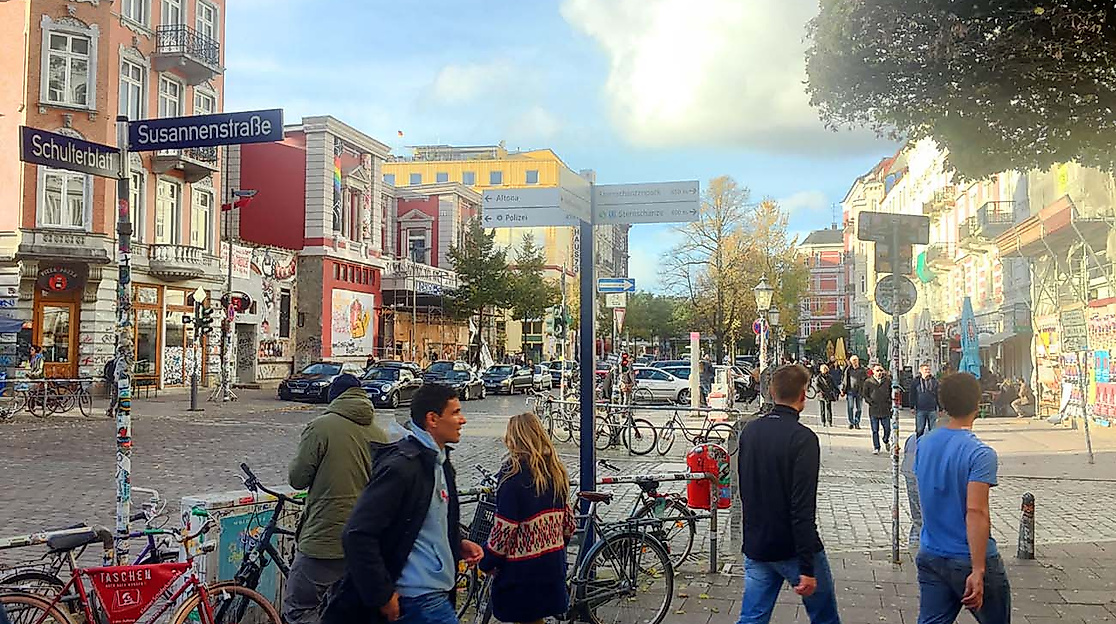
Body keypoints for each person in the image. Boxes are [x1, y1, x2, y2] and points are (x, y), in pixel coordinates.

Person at [321, 384, 484, 624]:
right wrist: (382, 595)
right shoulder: (403, 467)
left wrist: (457, 542)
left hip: (433, 595)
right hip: (417, 600)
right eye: (455, 412)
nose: (463, 420)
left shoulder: (439, 463)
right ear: (433, 419)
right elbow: (357, 534)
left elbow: (423, 519)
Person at [735, 364, 841, 624]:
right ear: (803, 395)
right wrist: (807, 565)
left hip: (758, 545)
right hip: (794, 548)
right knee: (824, 617)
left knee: (752, 618)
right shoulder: (803, 439)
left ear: (771, 392)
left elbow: (746, 490)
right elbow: (802, 506)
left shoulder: (750, 431)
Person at [284, 374, 388, 624]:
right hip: (363, 541)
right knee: (343, 611)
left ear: (334, 397)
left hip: (324, 536)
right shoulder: (380, 433)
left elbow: (297, 478)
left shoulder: (322, 427)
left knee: (298, 607)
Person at [914, 372, 1010, 623]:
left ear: (943, 405)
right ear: (978, 404)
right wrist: (978, 570)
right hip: (967, 557)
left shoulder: (923, 444)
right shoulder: (980, 454)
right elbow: (976, 512)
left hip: (931, 552)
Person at [479, 413, 574, 624]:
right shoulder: (556, 471)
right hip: (550, 568)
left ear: (513, 439)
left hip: (521, 573)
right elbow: (568, 525)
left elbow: (504, 531)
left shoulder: (512, 475)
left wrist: (487, 560)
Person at [864, 365, 892, 455]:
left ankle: (885, 439)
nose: (879, 372)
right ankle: (876, 447)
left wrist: (890, 402)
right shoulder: (868, 381)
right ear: (873, 371)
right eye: (877, 370)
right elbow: (865, 394)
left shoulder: (887, 381)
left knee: (887, 428)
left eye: (881, 370)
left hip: (885, 408)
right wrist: (870, 402)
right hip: (874, 409)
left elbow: (892, 392)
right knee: (875, 430)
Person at [900, 432, 921, 552]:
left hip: (911, 472)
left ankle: (915, 541)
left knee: (917, 514)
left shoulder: (913, 437)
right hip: (916, 473)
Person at [909, 363, 941, 437]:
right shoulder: (916, 382)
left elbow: (938, 395)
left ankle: (931, 446)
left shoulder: (934, 381)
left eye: (929, 369)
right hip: (920, 409)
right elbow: (912, 394)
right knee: (920, 430)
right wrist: (911, 406)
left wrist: (940, 408)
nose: (928, 371)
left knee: (933, 431)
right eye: (926, 370)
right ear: (921, 371)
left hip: (932, 409)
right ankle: (919, 445)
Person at [841, 355, 867, 429]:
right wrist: (843, 390)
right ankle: (851, 422)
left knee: (859, 408)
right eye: (853, 361)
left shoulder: (862, 370)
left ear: (858, 361)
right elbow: (844, 380)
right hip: (850, 391)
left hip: (859, 391)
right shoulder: (848, 370)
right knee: (850, 407)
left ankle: (857, 422)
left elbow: (866, 380)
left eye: (856, 360)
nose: (854, 362)